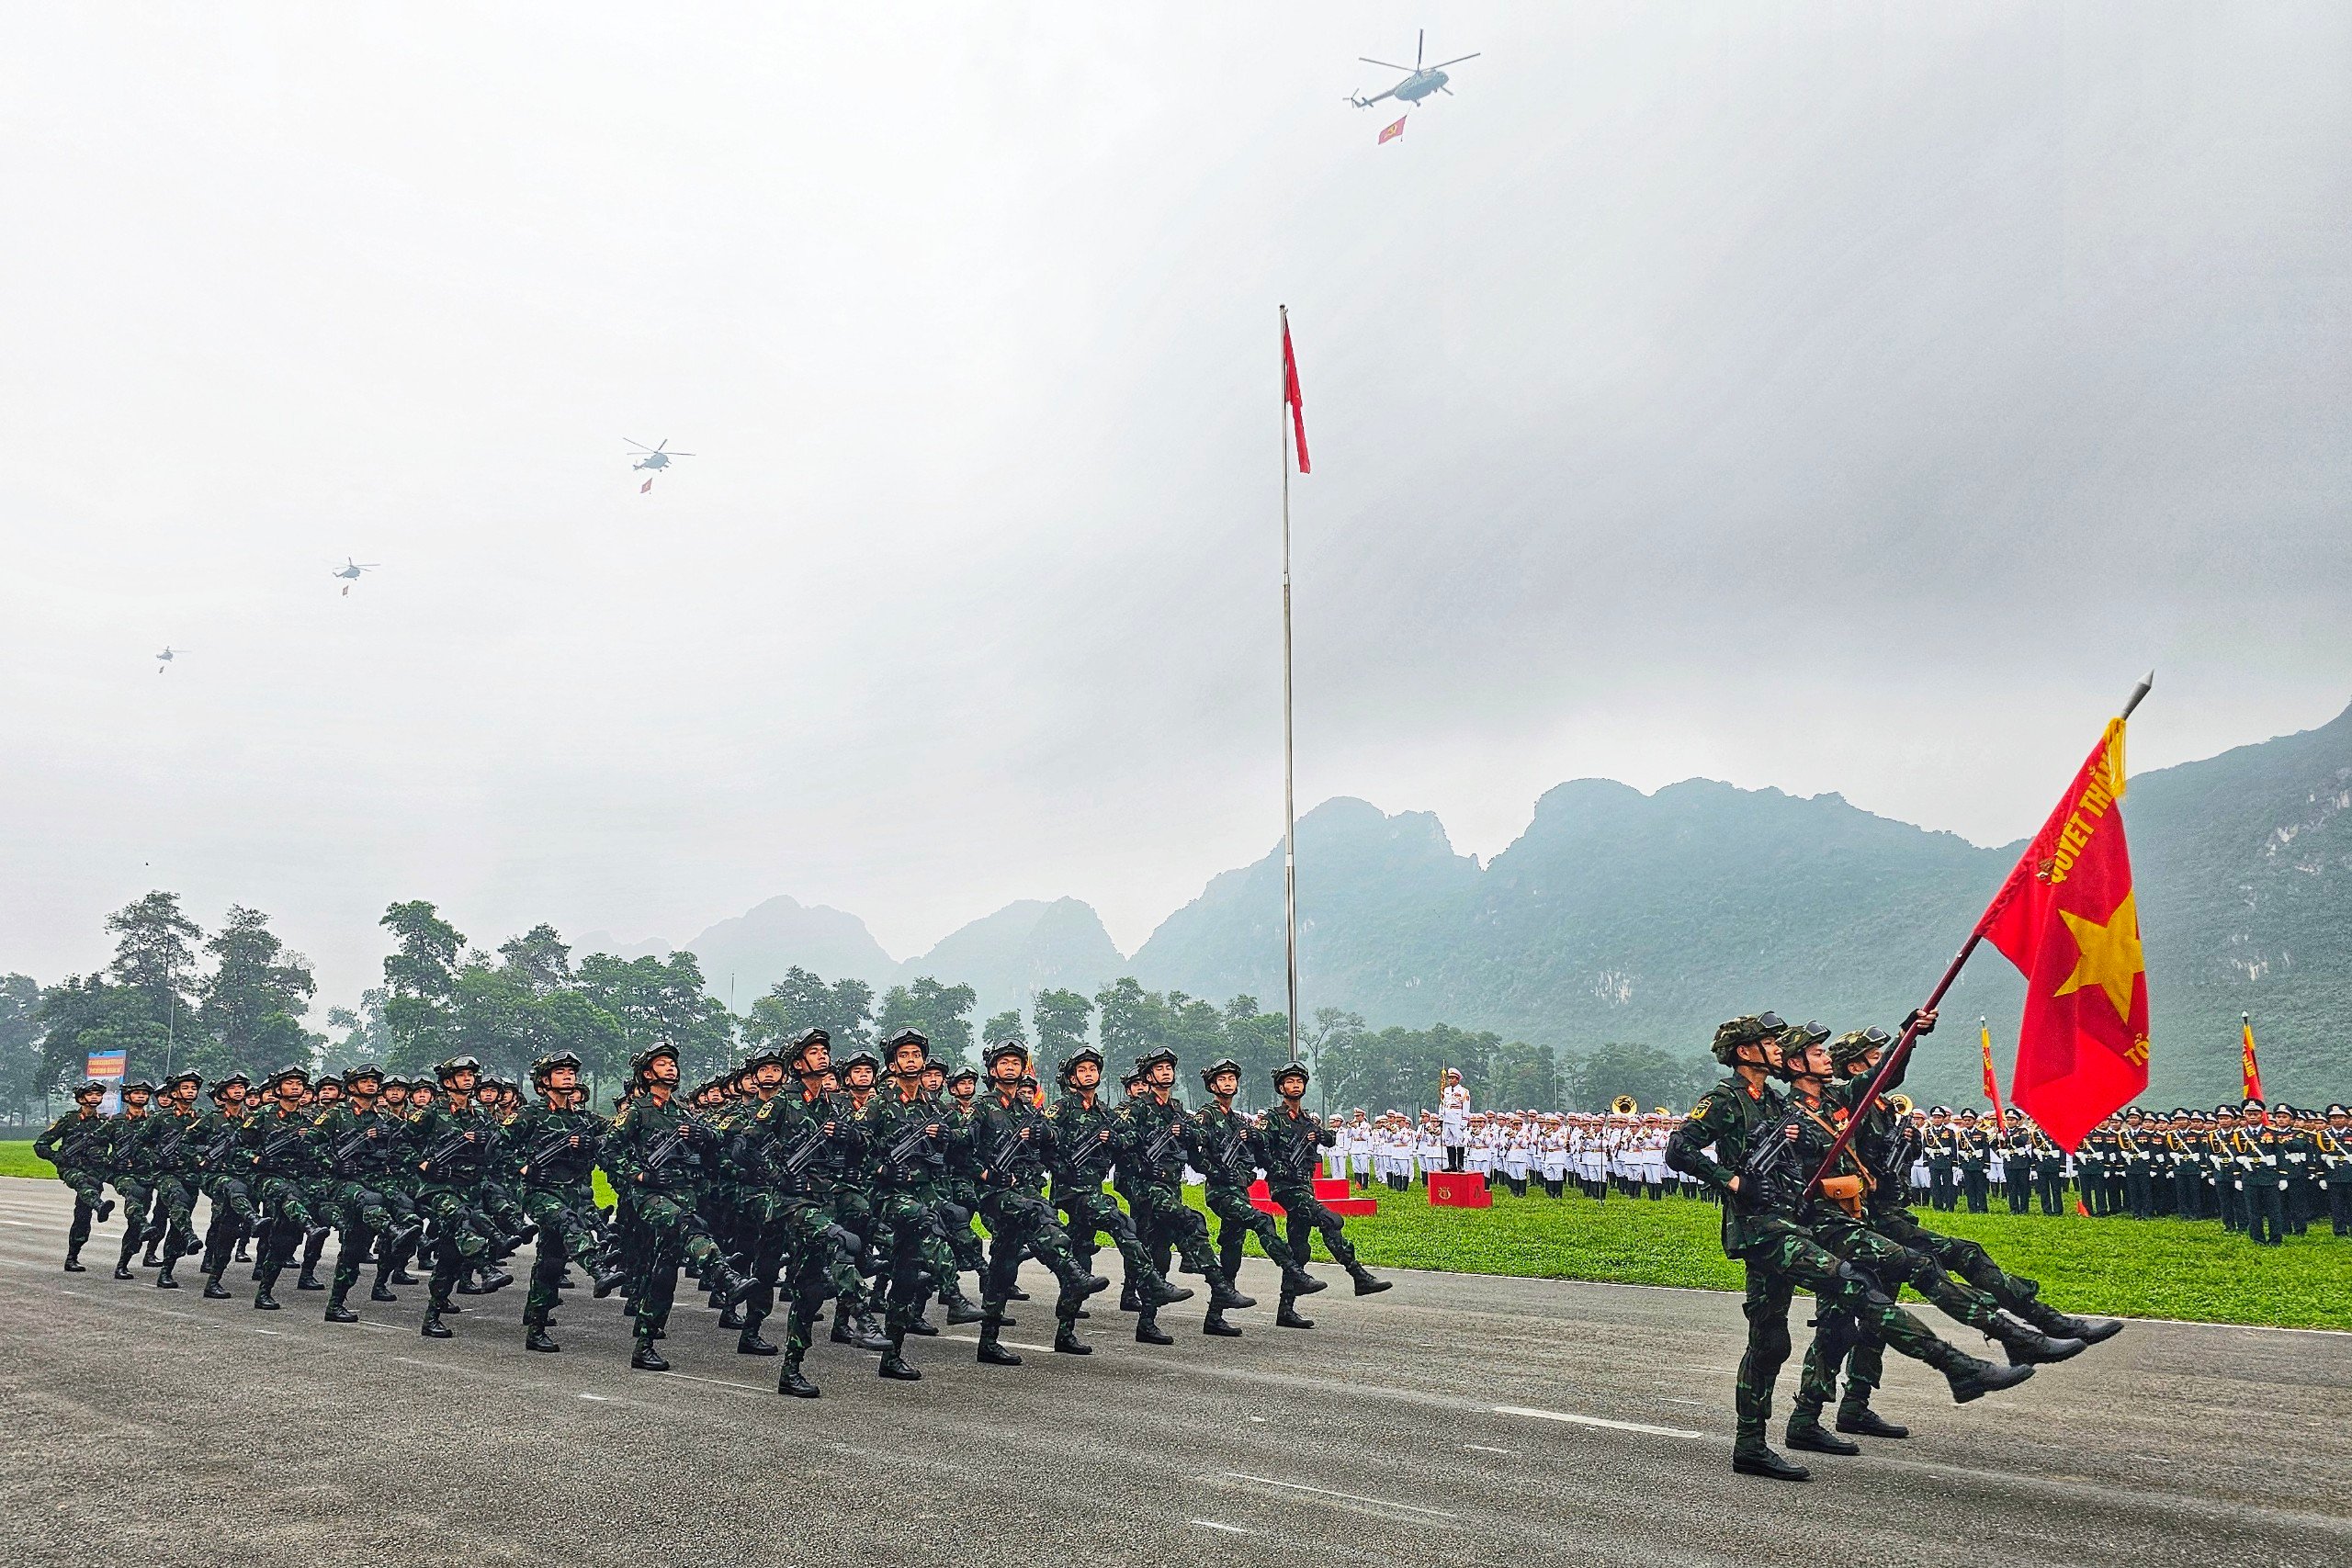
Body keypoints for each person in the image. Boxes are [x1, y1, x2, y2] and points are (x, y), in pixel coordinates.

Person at [1665, 1012, 2034, 1483]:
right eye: (1767, 1042)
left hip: (1790, 1222)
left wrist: (1909, 1039)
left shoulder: (1775, 1102)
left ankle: (1751, 1446)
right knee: (1852, 1286)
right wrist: (1734, 1180)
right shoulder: (1723, 1100)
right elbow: (1681, 1150)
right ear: (1744, 1051)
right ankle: (1955, 1365)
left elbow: (1864, 1095)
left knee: (1770, 1341)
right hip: (1760, 1230)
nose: (1776, 1047)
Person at [967, 1040, 1108, 1361]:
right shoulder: (982, 1107)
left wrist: (1044, 1135)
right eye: (1004, 1063)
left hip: (1022, 1189)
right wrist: (986, 1175)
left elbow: (1053, 1139)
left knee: (1004, 1263)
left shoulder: (1028, 1110)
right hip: (995, 1194)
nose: (1011, 1068)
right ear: (992, 1070)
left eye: (1016, 1063)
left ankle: (988, 1341)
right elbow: (959, 1151)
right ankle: (1070, 1271)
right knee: (1041, 1212)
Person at [1121, 1048, 1254, 1343]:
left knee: (1159, 1254)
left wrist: (1188, 1133)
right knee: (1190, 1220)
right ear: (1148, 1075)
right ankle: (1218, 1285)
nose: (1166, 1071)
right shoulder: (1139, 1109)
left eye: (1169, 1067)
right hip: (1147, 1188)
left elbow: (1199, 1145)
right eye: (1160, 1068)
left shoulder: (1178, 1110)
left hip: (1172, 1186)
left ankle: (1147, 1324)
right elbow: (1122, 1143)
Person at [1193, 1057, 1327, 1334]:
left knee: (1232, 1251)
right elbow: (1194, 1154)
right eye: (1223, 1079)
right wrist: (1216, 1172)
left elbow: (1256, 1152)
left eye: (1232, 1079)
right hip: (1220, 1193)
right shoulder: (1206, 1116)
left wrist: (1251, 1169)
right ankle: (1293, 1271)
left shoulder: (1238, 1120)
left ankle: (1214, 1317)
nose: (1228, 1083)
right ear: (1212, 1085)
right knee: (1263, 1221)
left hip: (1240, 1191)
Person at [1257, 1061, 1388, 1325]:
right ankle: (1358, 1275)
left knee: (1299, 1248)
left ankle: (1286, 1310)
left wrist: (1321, 1135)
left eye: (1299, 1081)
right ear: (1281, 1087)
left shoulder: (1307, 1121)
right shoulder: (1273, 1119)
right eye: (1290, 1082)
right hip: (1285, 1188)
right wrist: (1278, 1166)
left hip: (1305, 1185)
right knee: (1330, 1220)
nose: (1295, 1086)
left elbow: (1329, 1139)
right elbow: (1260, 1151)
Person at [33, 1080, 118, 1271]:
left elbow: (119, 1144)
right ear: (81, 1098)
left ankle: (73, 1256)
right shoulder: (68, 1120)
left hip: (95, 1171)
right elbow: (40, 1146)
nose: (95, 1097)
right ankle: (99, 1205)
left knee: (82, 1216)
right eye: (91, 1094)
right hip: (71, 1169)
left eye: (98, 1094)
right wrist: (58, 1158)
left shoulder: (105, 1123)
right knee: (81, 1183)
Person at [1440, 1069, 1469, 1172]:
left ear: (1457, 1079)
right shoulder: (1445, 1090)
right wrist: (1441, 1116)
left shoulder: (1463, 1091)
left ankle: (1460, 1165)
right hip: (1447, 1118)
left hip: (1457, 1119)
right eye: (1449, 1078)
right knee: (1449, 1141)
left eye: (1452, 1078)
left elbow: (1466, 1107)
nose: (1450, 1080)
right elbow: (1442, 1104)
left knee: (1459, 1141)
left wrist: (1464, 1121)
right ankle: (1452, 1164)